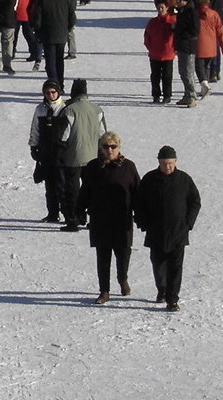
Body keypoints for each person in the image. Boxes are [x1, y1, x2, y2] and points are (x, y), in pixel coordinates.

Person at [134, 146, 200, 311]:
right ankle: (162, 290)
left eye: (170, 163)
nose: (167, 167)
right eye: (164, 163)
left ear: (176, 161)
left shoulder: (184, 179)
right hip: (156, 231)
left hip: (178, 231)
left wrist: (188, 224)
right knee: (158, 265)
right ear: (159, 162)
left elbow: (195, 201)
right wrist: (143, 222)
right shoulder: (149, 179)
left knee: (175, 267)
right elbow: (139, 203)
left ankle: (172, 299)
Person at [78, 131, 140, 304]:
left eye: (113, 147)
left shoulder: (128, 167)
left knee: (123, 254)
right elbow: (85, 191)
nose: (110, 150)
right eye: (106, 147)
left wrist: (141, 215)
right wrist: (80, 211)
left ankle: (122, 278)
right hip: (100, 219)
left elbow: (137, 192)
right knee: (103, 257)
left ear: (119, 148)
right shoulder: (93, 167)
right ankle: (104, 291)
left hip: (122, 219)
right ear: (101, 148)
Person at [59, 79, 106, 231]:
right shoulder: (97, 110)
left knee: (72, 190)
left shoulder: (70, 110)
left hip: (73, 157)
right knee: (92, 189)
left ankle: (74, 219)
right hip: (93, 157)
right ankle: (94, 219)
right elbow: (103, 135)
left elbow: (63, 137)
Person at [27, 80, 67, 221]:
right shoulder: (40, 109)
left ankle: (67, 213)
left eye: (53, 92)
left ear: (58, 92)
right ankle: (52, 213)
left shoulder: (64, 108)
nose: (50, 95)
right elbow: (35, 128)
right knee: (49, 185)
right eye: (47, 92)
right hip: (45, 150)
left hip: (60, 150)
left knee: (62, 184)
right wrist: (33, 145)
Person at [32, 0, 74, 87]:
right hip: (62, 34)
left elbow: (37, 18)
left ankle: (54, 84)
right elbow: (72, 17)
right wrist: (67, 29)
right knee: (59, 60)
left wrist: (38, 32)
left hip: (48, 34)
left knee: (50, 61)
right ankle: (60, 83)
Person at [194, 0, 223, 98]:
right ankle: (205, 88)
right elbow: (220, 31)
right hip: (212, 46)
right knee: (207, 66)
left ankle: (205, 84)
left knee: (199, 67)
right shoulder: (214, 14)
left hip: (199, 45)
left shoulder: (194, 14)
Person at [144, 1, 176, 103]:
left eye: (162, 7)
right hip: (155, 54)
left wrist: (174, 49)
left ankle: (167, 95)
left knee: (167, 76)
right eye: (158, 8)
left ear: (167, 8)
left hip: (168, 54)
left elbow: (177, 36)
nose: (160, 10)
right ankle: (156, 95)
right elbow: (147, 37)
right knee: (155, 76)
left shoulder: (172, 22)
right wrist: (151, 48)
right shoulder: (152, 22)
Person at [172, 0, 200, 106]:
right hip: (182, 46)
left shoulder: (191, 12)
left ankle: (192, 96)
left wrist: (182, 35)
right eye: (176, 1)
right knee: (182, 72)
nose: (177, 3)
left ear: (185, 1)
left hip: (188, 46)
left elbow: (195, 30)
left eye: (179, 1)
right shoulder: (181, 12)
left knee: (188, 72)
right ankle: (187, 94)